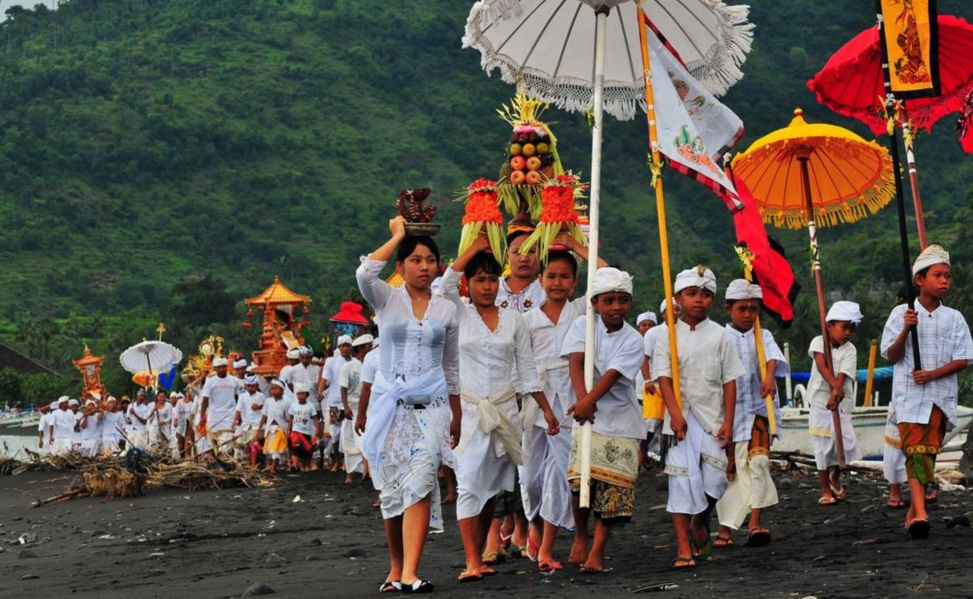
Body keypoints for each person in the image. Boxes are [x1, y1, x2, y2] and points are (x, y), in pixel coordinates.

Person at [441, 238, 558, 582]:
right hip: (471, 411)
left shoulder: (513, 321)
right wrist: (475, 246)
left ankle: (479, 554)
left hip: (506, 412)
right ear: (469, 283)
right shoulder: (459, 312)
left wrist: (547, 411)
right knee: (468, 483)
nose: (487, 287)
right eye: (479, 279)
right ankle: (470, 560)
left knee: (493, 486)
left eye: (492, 279)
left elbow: (526, 369)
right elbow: (446, 281)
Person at [356, 216, 461, 593]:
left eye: (430, 260)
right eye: (415, 260)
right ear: (401, 267)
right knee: (392, 493)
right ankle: (395, 567)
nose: (424, 267)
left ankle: (411, 573)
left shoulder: (447, 309)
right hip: (390, 410)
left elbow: (450, 365)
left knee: (420, 481)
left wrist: (457, 412)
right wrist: (398, 235)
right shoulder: (387, 298)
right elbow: (365, 274)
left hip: (432, 408)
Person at [521, 234, 606, 573]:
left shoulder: (583, 311)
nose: (557, 282)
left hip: (572, 400)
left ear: (574, 282)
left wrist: (573, 243)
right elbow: (523, 367)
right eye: (551, 276)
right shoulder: (527, 320)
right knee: (530, 477)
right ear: (540, 280)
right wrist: (541, 405)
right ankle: (534, 524)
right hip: (535, 403)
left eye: (565, 276)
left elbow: (604, 271)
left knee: (562, 475)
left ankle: (548, 546)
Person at [655, 266, 744, 569]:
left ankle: (700, 522)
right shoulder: (667, 335)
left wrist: (729, 422)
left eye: (705, 295)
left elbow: (730, 381)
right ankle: (683, 549)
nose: (699, 300)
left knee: (716, 480)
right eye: (692, 294)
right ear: (678, 297)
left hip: (713, 420)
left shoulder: (722, 336)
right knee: (680, 484)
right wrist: (675, 414)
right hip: (679, 421)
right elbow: (664, 378)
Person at [881, 245, 973, 539]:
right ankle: (921, 512)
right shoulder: (901, 314)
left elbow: (964, 358)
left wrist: (932, 374)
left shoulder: (954, 318)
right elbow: (890, 355)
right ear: (920, 280)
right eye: (938, 275)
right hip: (909, 397)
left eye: (947, 276)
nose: (945, 281)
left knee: (928, 454)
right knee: (914, 452)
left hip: (939, 396)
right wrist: (906, 330)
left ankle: (912, 515)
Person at [562, 266, 645, 573]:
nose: (616, 307)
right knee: (579, 481)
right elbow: (576, 361)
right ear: (596, 302)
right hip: (586, 416)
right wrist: (583, 401)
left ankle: (597, 550)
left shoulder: (634, 339)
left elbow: (612, 376)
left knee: (612, 489)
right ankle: (580, 534)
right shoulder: (583, 325)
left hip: (620, 420)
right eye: (609, 300)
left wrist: (588, 401)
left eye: (622, 300)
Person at [715, 280, 789, 548]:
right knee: (732, 472)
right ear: (729, 309)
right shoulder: (720, 337)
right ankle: (726, 529)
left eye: (753, 309)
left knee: (758, 464)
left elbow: (771, 358)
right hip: (730, 415)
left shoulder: (763, 334)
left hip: (759, 410)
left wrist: (769, 377)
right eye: (742, 309)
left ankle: (755, 523)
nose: (748, 315)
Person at [807, 301, 864, 506]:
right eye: (844, 327)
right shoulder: (818, 342)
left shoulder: (850, 350)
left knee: (846, 444)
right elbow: (822, 366)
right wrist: (833, 388)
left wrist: (837, 391)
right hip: (820, 398)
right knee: (822, 446)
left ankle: (835, 474)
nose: (847, 332)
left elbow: (843, 374)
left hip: (841, 400)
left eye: (851, 328)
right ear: (830, 326)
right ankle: (825, 489)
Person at [340, 334, 373, 483]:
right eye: (368, 347)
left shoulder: (371, 363)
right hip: (352, 408)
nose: (370, 349)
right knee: (349, 441)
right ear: (361, 349)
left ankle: (367, 471)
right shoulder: (348, 366)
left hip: (369, 406)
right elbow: (343, 388)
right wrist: (346, 407)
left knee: (366, 438)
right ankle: (350, 474)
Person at [199, 357, 243, 459]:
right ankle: (219, 462)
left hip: (229, 416)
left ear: (226, 367)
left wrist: (238, 415)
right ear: (215, 368)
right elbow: (205, 400)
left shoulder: (234, 380)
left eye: (223, 367)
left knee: (226, 442)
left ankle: (225, 461)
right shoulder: (210, 381)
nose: (222, 369)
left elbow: (238, 398)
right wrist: (202, 416)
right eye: (219, 367)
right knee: (214, 443)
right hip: (214, 416)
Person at [321, 335, 353, 471]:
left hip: (351, 402)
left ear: (351, 347)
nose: (344, 348)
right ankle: (337, 461)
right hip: (335, 401)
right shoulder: (332, 362)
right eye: (342, 345)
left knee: (349, 433)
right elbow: (324, 378)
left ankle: (347, 462)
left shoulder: (355, 362)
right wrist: (320, 390)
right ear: (339, 347)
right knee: (335, 433)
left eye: (347, 345)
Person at [258, 379, 290, 473]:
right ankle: (269, 467)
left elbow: (288, 418)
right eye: (272, 389)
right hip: (269, 428)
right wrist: (260, 428)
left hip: (280, 429)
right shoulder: (268, 401)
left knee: (275, 449)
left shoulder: (286, 403)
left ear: (282, 390)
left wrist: (289, 430)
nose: (273, 391)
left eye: (276, 388)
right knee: (269, 449)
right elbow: (264, 415)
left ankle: (273, 468)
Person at [288, 383, 320, 472]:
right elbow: (291, 418)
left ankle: (305, 465)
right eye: (298, 394)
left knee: (307, 449)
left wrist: (317, 428)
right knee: (295, 448)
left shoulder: (310, 406)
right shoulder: (293, 405)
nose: (300, 396)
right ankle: (294, 465)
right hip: (295, 431)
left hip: (306, 431)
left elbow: (315, 418)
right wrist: (289, 429)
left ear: (307, 395)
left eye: (302, 394)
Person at [234, 375, 266, 466]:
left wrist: (259, 407)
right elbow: (238, 409)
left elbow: (266, 410)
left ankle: (252, 465)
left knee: (252, 444)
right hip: (245, 425)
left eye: (253, 386)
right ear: (246, 386)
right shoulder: (242, 396)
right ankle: (248, 463)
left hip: (257, 425)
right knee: (244, 445)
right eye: (248, 386)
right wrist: (236, 420)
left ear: (256, 386)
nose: (250, 388)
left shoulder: (261, 396)